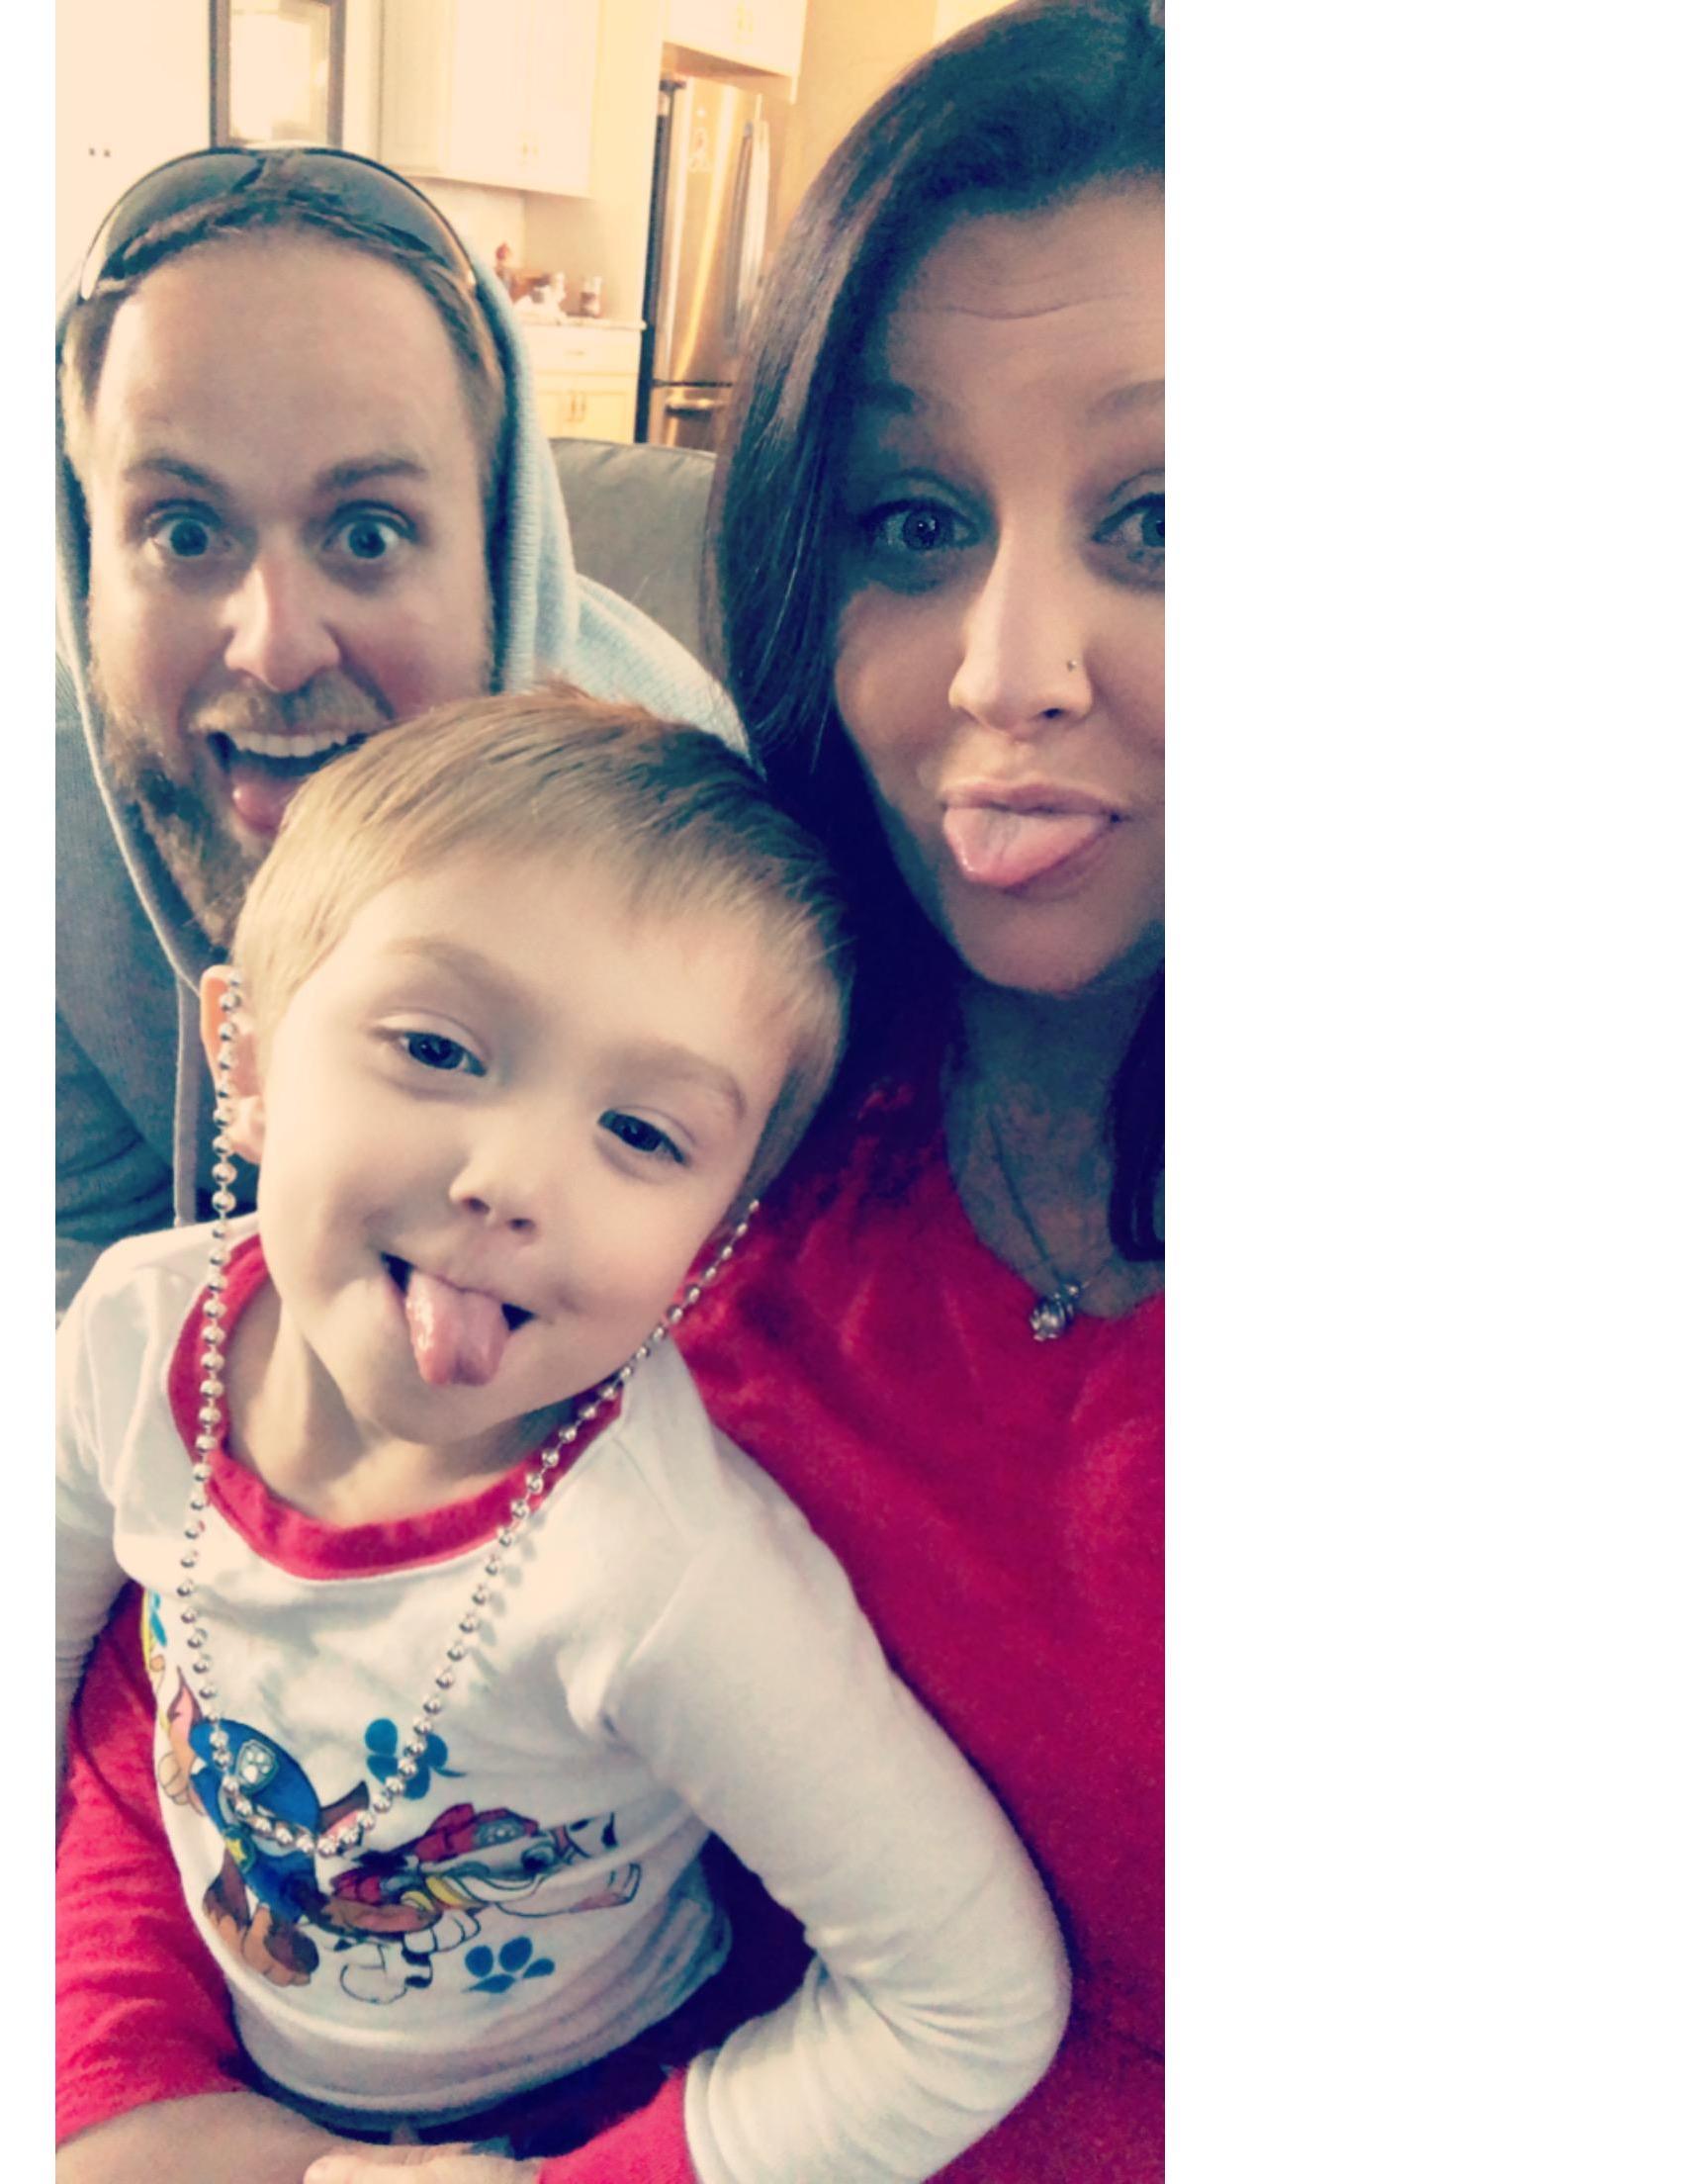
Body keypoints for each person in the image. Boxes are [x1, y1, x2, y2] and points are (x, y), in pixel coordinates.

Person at [57, 3, 1164, 2178]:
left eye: (1168, 516)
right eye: (911, 515)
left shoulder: (672, 1147)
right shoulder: (722, 1074)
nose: (1003, 670)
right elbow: (209, 1633)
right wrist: (133, 2086)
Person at [57, 693, 1071, 2180]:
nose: (514, 1181)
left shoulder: (661, 1574)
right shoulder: (134, 1337)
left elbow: (971, 2005)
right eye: (438, 1047)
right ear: (251, 1059)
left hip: (582, 2107)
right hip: (211, 2030)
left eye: (644, 1135)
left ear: (716, 1241)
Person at [57, 148, 736, 1311]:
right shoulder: (45, 830)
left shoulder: (687, 857)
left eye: (368, 534)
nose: (275, 648)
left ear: (500, 557)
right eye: (182, 532)